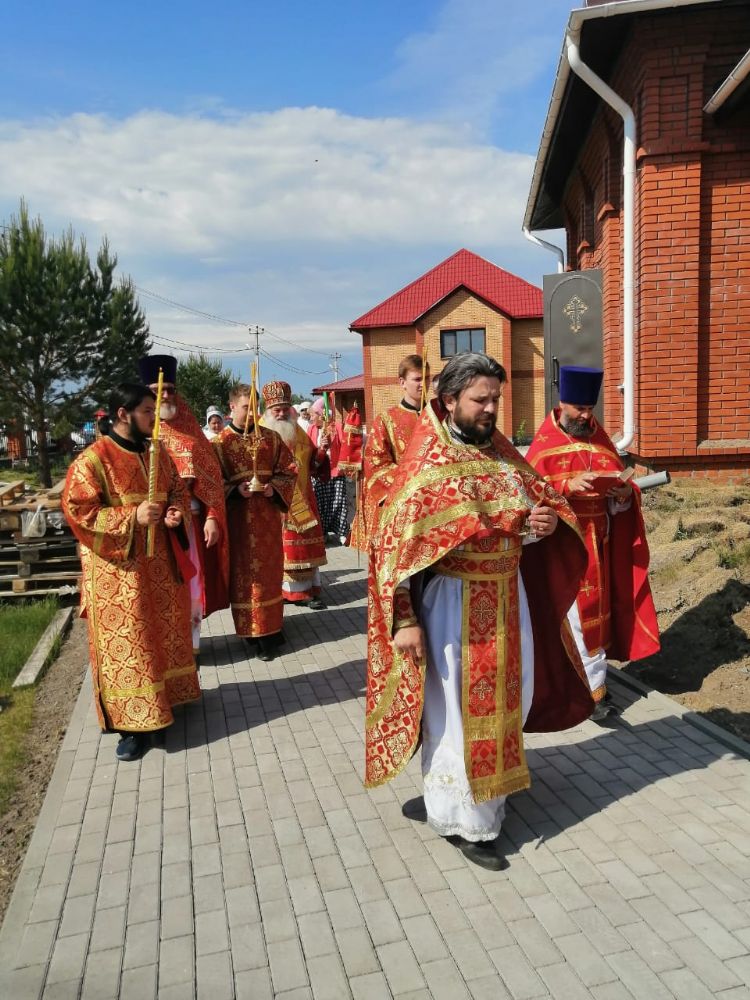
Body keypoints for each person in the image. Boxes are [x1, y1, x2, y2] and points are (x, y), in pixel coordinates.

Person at [365, 352, 593, 870]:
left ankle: (488, 797)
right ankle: (465, 820)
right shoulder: (429, 460)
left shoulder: (502, 452)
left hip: (507, 599)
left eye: (496, 399)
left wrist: (546, 525)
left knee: (510, 699)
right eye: (481, 399)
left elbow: (542, 502)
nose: (491, 408)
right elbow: (393, 547)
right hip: (453, 606)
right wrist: (403, 619)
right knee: (457, 713)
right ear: (450, 400)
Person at [62, 384, 200, 762]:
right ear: (123, 414)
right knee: (133, 645)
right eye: (146, 412)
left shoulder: (157, 453)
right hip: (119, 576)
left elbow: (176, 493)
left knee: (163, 636)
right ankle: (131, 726)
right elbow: (80, 513)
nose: (154, 419)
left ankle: (167, 702)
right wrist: (132, 516)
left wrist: (174, 513)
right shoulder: (93, 461)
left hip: (160, 567)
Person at [526, 365, 660, 720]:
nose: (585, 416)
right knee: (572, 617)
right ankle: (581, 689)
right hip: (562, 545)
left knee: (597, 615)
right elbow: (527, 493)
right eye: (578, 409)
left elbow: (623, 489)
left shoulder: (599, 439)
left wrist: (621, 494)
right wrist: (568, 486)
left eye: (590, 409)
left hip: (599, 543)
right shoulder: (543, 445)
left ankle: (594, 687)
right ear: (562, 402)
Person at [138, 355, 229, 659]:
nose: (165, 394)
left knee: (190, 586)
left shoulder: (189, 426)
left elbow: (212, 476)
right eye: (157, 388)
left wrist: (213, 516)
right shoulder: (137, 433)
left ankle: (191, 648)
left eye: (170, 388)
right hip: (148, 525)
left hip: (188, 522)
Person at [213, 383, 297, 660]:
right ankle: (253, 633)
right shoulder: (219, 443)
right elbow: (212, 484)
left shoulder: (270, 438)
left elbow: (289, 471)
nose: (251, 413)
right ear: (232, 408)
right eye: (246, 407)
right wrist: (234, 490)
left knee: (271, 576)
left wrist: (273, 488)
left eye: (254, 407)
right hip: (238, 522)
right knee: (246, 579)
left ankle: (272, 629)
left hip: (267, 522)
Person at [261, 381, 328, 609]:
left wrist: (322, 451)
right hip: (274, 499)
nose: (280, 413)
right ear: (267, 410)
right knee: (279, 547)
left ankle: (306, 591)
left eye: (284, 409)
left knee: (302, 546)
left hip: (302, 495)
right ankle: (281, 592)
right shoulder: (260, 431)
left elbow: (313, 463)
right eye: (276, 410)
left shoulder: (297, 430)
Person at [357, 353, 429, 545]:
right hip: (402, 504)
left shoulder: (439, 418)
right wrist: (411, 482)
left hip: (433, 505)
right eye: (417, 379)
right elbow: (375, 462)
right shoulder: (387, 419)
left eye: (427, 378)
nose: (423, 384)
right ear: (402, 382)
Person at [307, 397, 349, 544]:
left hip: (336, 471)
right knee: (320, 504)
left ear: (321, 414)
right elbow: (309, 450)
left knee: (339, 503)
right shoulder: (311, 429)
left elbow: (345, 446)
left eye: (313, 415)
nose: (311, 418)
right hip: (318, 473)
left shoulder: (336, 426)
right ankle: (322, 532)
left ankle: (341, 532)